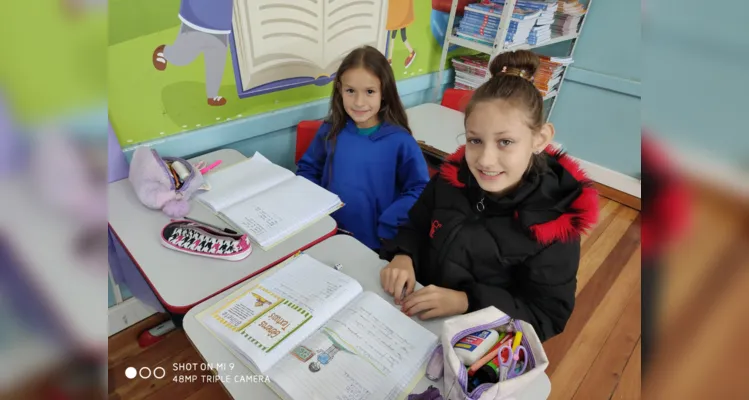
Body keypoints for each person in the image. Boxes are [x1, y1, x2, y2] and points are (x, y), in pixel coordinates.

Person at [379, 50, 600, 342]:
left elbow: (546, 315)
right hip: (414, 317)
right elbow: (416, 225)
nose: (485, 159)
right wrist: (403, 255)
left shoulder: (554, 224)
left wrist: (467, 301)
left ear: (540, 139)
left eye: (505, 142)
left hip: (475, 338)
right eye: (475, 140)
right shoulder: (451, 180)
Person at [297, 46, 430, 253]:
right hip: (327, 233)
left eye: (369, 92)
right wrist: (316, 208)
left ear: (384, 92)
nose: (359, 102)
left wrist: (390, 221)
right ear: (340, 89)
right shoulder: (331, 129)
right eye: (350, 91)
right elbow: (308, 169)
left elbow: (420, 188)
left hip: (375, 242)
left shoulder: (400, 141)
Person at [152, 0, 233, 106]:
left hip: (221, 18)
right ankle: (166, 52)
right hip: (197, 15)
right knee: (182, 57)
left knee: (217, 56)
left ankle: (212, 95)